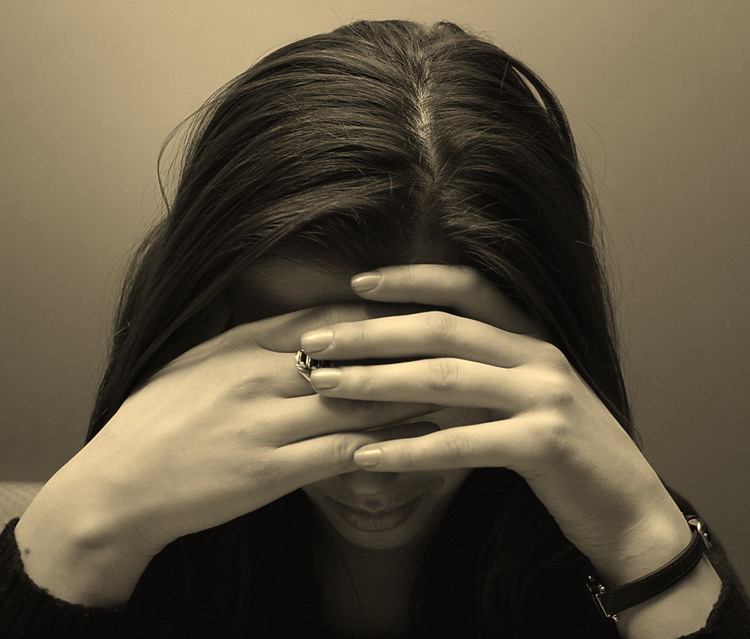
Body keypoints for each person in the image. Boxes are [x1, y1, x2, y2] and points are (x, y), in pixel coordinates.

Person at [1, 19, 748, 639]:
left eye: (427, 370)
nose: (370, 470)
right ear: (205, 327)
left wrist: (641, 541)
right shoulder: (96, 538)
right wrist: (81, 535)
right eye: (313, 370)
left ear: (540, 343)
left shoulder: (628, 542)